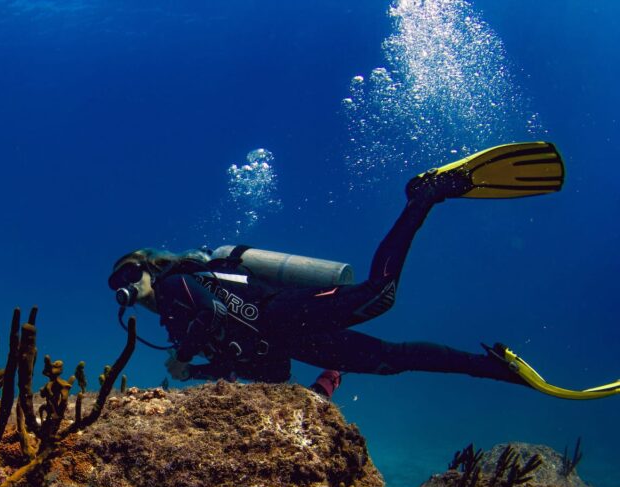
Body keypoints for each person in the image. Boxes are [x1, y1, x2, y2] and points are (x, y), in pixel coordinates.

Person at [108, 142, 620, 400]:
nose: (128, 288)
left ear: (151, 266)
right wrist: (192, 370)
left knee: (381, 295)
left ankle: (427, 195)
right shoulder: (172, 319)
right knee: (392, 360)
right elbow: (244, 366)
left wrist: (183, 358)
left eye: (129, 274)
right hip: (290, 342)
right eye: (119, 286)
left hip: (283, 314)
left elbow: (208, 319)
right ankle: (499, 369)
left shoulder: (180, 283)